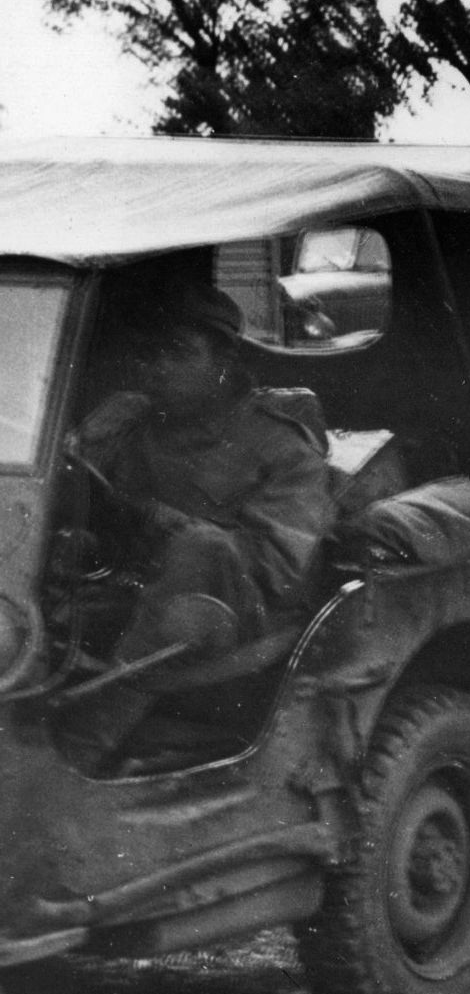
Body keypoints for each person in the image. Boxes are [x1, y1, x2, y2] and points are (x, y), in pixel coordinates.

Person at [60, 285, 335, 768]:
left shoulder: (279, 446)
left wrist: (164, 523)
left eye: (178, 354)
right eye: (147, 355)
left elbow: (276, 569)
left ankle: (79, 750)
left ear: (224, 359)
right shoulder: (125, 420)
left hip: (233, 615)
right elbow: (68, 487)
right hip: (131, 592)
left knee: (201, 547)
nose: (157, 370)